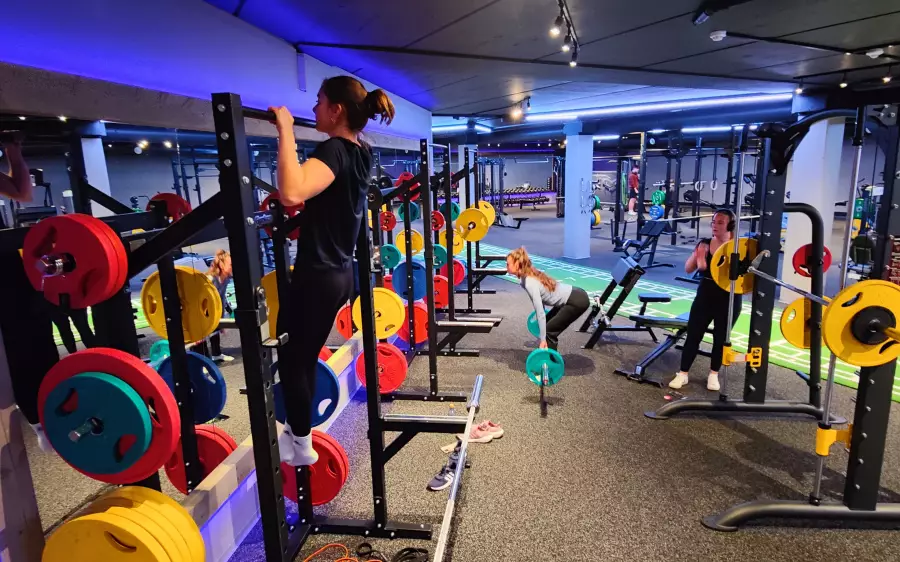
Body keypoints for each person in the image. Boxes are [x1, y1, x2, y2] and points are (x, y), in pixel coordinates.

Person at [269, 76, 394, 466]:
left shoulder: (335, 149)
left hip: (317, 275)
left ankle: (301, 443)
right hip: (338, 274)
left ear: (336, 110)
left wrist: (286, 130)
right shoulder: (362, 152)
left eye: (319, 101)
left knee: (293, 360)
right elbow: (323, 201)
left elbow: (292, 192)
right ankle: (295, 436)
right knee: (302, 357)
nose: (314, 108)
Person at [0, 134, 57, 451]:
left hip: (6, 260)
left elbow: (22, 192)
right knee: (15, 347)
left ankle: (52, 411)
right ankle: (39, 422)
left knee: (37, 327)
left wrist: (13, 151)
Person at [668, 209, 742, 391]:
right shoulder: (705, 244)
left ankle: (713, 374)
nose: (715, 226)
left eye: (720, 222)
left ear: (731, 225)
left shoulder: (739, 247)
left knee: (721, 338)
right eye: (713, 222)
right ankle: (683, 373)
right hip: (705, 296)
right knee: (693, 334)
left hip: (729, 298)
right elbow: (688, 268)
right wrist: (700, 257)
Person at [506, 247, 589, 351]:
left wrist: (543, 339)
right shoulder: (524, 279)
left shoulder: (529, 283)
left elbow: (540, 312)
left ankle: (551, 359)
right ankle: (546, 349)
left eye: (508, 264)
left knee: (549, 331)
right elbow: (540, 307)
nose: (506, 266)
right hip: (573, 296)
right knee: (546, 326)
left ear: (517, 264)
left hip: (576, 301)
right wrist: (542, 336)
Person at [206, 249, 234, 363]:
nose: (233, 267)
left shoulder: (226, 279)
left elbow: (221, 299)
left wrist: (221, 320)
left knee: (216, 326)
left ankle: (216, 354)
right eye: (231, 264)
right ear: (222, 265)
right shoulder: (210, 279)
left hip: (213, 307)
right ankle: (202, 361)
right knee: (200, 335)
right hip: (200, 308)